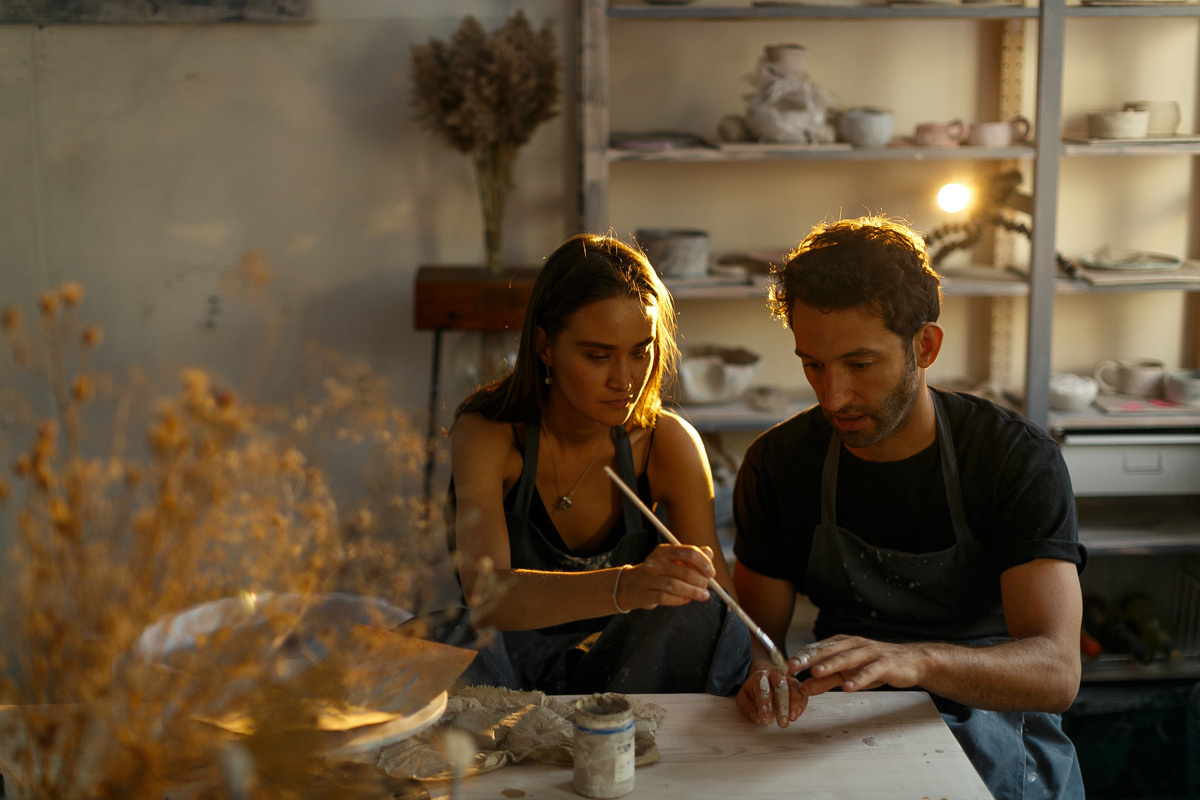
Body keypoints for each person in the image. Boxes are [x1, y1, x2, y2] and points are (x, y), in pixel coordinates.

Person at [731, 216, 1087, 800]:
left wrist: (914, 662)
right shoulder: (779, 463)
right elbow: (758, 639)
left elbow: (1056, 672)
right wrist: (760, 677)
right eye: (812, 364)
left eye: (860, 365)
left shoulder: (1012, 459)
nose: (833, 395)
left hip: (997, 718)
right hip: (843, 715)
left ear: (925, 345)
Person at [446, 232, 750, 695]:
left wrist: (766, 665)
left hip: (622, 672)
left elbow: (721, 603)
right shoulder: (489, 433)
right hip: (507, 669)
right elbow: (486, 597)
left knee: (702, 613)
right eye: (598, 355)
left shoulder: (666, 443)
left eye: (641, 351)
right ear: (545, 347)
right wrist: (627, 585)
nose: (625, 380)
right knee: (435, 637)